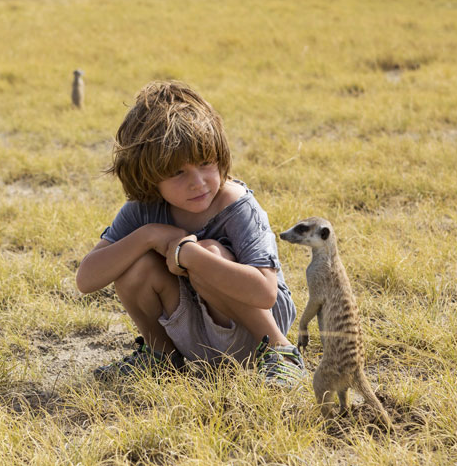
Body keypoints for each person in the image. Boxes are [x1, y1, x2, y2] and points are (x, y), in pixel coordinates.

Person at [75, 80, 305, 385]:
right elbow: (86, 280)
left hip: (256, 330)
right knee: (137, 266)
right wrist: (149, 235)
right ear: (148, 176)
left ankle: (281, 352)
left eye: (205, 163)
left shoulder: (237, 206)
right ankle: (163, 357)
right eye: (177, 172)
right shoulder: (144, 210)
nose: (198, 182)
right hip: (196, 336)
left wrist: (190, 255)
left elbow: (265, 292)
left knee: (210, 251)